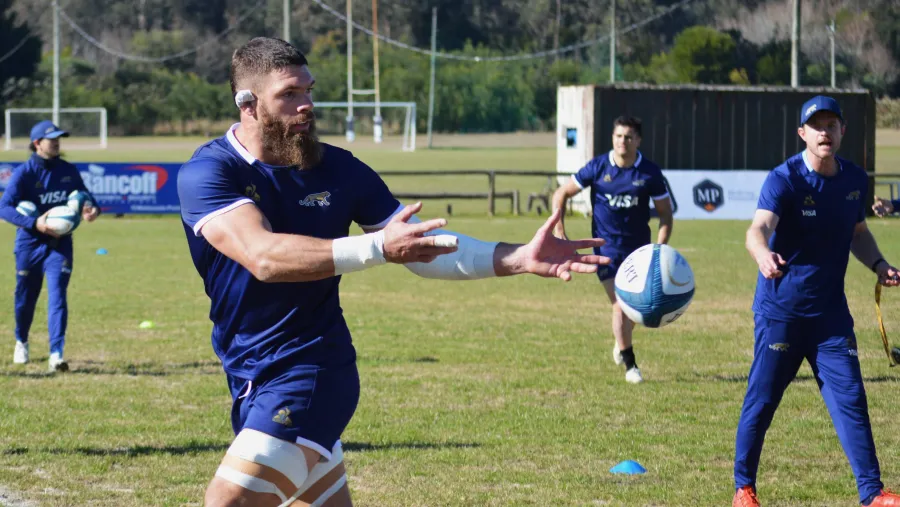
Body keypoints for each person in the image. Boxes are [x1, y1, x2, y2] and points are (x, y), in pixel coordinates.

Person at [176, 37, 609, 507]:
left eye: (309, 91)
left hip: (313, 370)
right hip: (247, 369)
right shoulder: (210, 173)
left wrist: (519, 258)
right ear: (248, 104)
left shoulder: (339, 169)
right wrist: (379, 247)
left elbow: (422, 247)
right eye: (289, 95)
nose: (306, 106)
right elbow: (264, 257)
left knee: (228, 502)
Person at [733, 95, 900, 507]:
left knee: (852, 400)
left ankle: (872, 493)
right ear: (802, 133)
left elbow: (858, 232)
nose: (825, 132)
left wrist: (878, 263)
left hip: (830, 317)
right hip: (781, 314)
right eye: (817, 125)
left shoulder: (855, 180)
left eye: (832, 124)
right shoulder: (784, 178)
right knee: (763, 399)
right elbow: (757, 229)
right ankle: (744, 488)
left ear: (843, 131)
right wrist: (763, 254)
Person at [550, 116, 674, 384]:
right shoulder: (598, 167)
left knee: (636, 310)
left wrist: (660, 249)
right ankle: (631, 366)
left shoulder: (649, 173)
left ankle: (621, 343)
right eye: (618, 136)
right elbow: (560, 194)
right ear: (612, 138)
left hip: (640, 254)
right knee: (620, 305)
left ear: (638, 141)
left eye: (628, 137)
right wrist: (559, 229)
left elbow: (666, 214)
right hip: (605, 250)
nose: (623, 142)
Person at [0, 120, 100, 372]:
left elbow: (86, 196)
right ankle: (21, 340)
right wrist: (35, 223)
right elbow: (5, 208)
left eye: (59, 137)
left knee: (57, 295)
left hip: (59, 244)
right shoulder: (24, 173)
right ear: (37, 144)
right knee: (26, 298)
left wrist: (91, 209)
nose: (57, 142)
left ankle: (56, 354)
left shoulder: (67, 170)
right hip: (29, 244)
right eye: (51, 138)